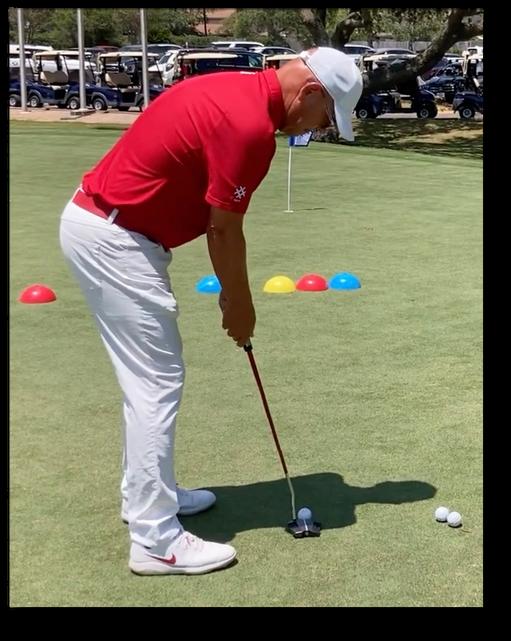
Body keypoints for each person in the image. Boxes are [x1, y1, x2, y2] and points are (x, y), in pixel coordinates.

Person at [59, 47, 363, 576]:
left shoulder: (237, 90)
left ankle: (147, 495)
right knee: (156, 381)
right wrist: (239, 304)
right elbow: (223, 229)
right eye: (325, 117)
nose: (319, 129)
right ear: (311, 92)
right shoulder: (250, 127)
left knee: (149, 380)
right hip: (115, 237)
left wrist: (232, 294)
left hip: (111, 228)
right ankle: (155, 539)